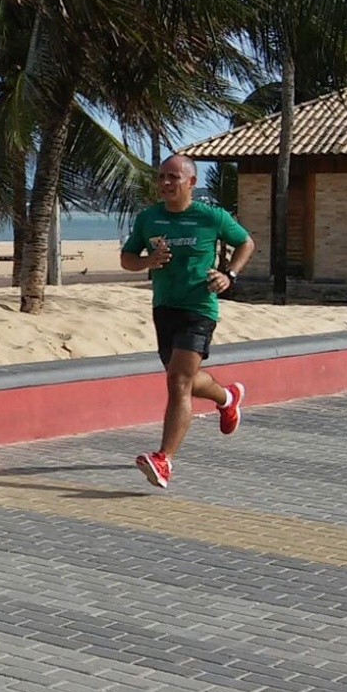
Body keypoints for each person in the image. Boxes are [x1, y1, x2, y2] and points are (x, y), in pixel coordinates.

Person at [119, 154, 255, 490]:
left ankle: (163, 459)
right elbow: (127, 259)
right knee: (183, 378)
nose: (165, 183)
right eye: (162, 177)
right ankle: (227, 398)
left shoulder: (210, 216)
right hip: (164, 308)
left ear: (191, 182)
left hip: (199, 307)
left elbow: (246, 242)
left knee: (178, 381)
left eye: (173, 178)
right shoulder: (149, 218)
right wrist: (147, 261)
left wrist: (229, 275)